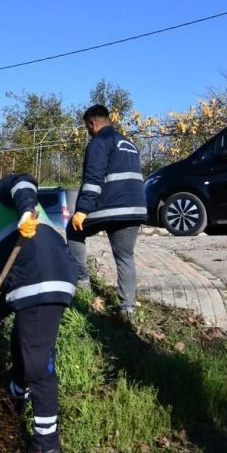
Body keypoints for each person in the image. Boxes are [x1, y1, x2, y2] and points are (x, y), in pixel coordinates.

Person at [0, 173, 76, 453]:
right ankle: (13, 401)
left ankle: (48, 447)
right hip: (35, 284)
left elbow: (23, 181)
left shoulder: (0, 197)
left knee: (37, 365)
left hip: (43, 280)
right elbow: (9, 282)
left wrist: (27, 209)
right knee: (22, 348)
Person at [68, 104, 148, 320]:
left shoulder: (100, 141)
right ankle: (127, 308)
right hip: (135, 208)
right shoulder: (129, 144)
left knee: (73, 231)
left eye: (87, 127)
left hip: (111, 207)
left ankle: (82, 284)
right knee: (125, 257)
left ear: (93, 123)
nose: (88, 132)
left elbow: (93, 179)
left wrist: (82, 210)